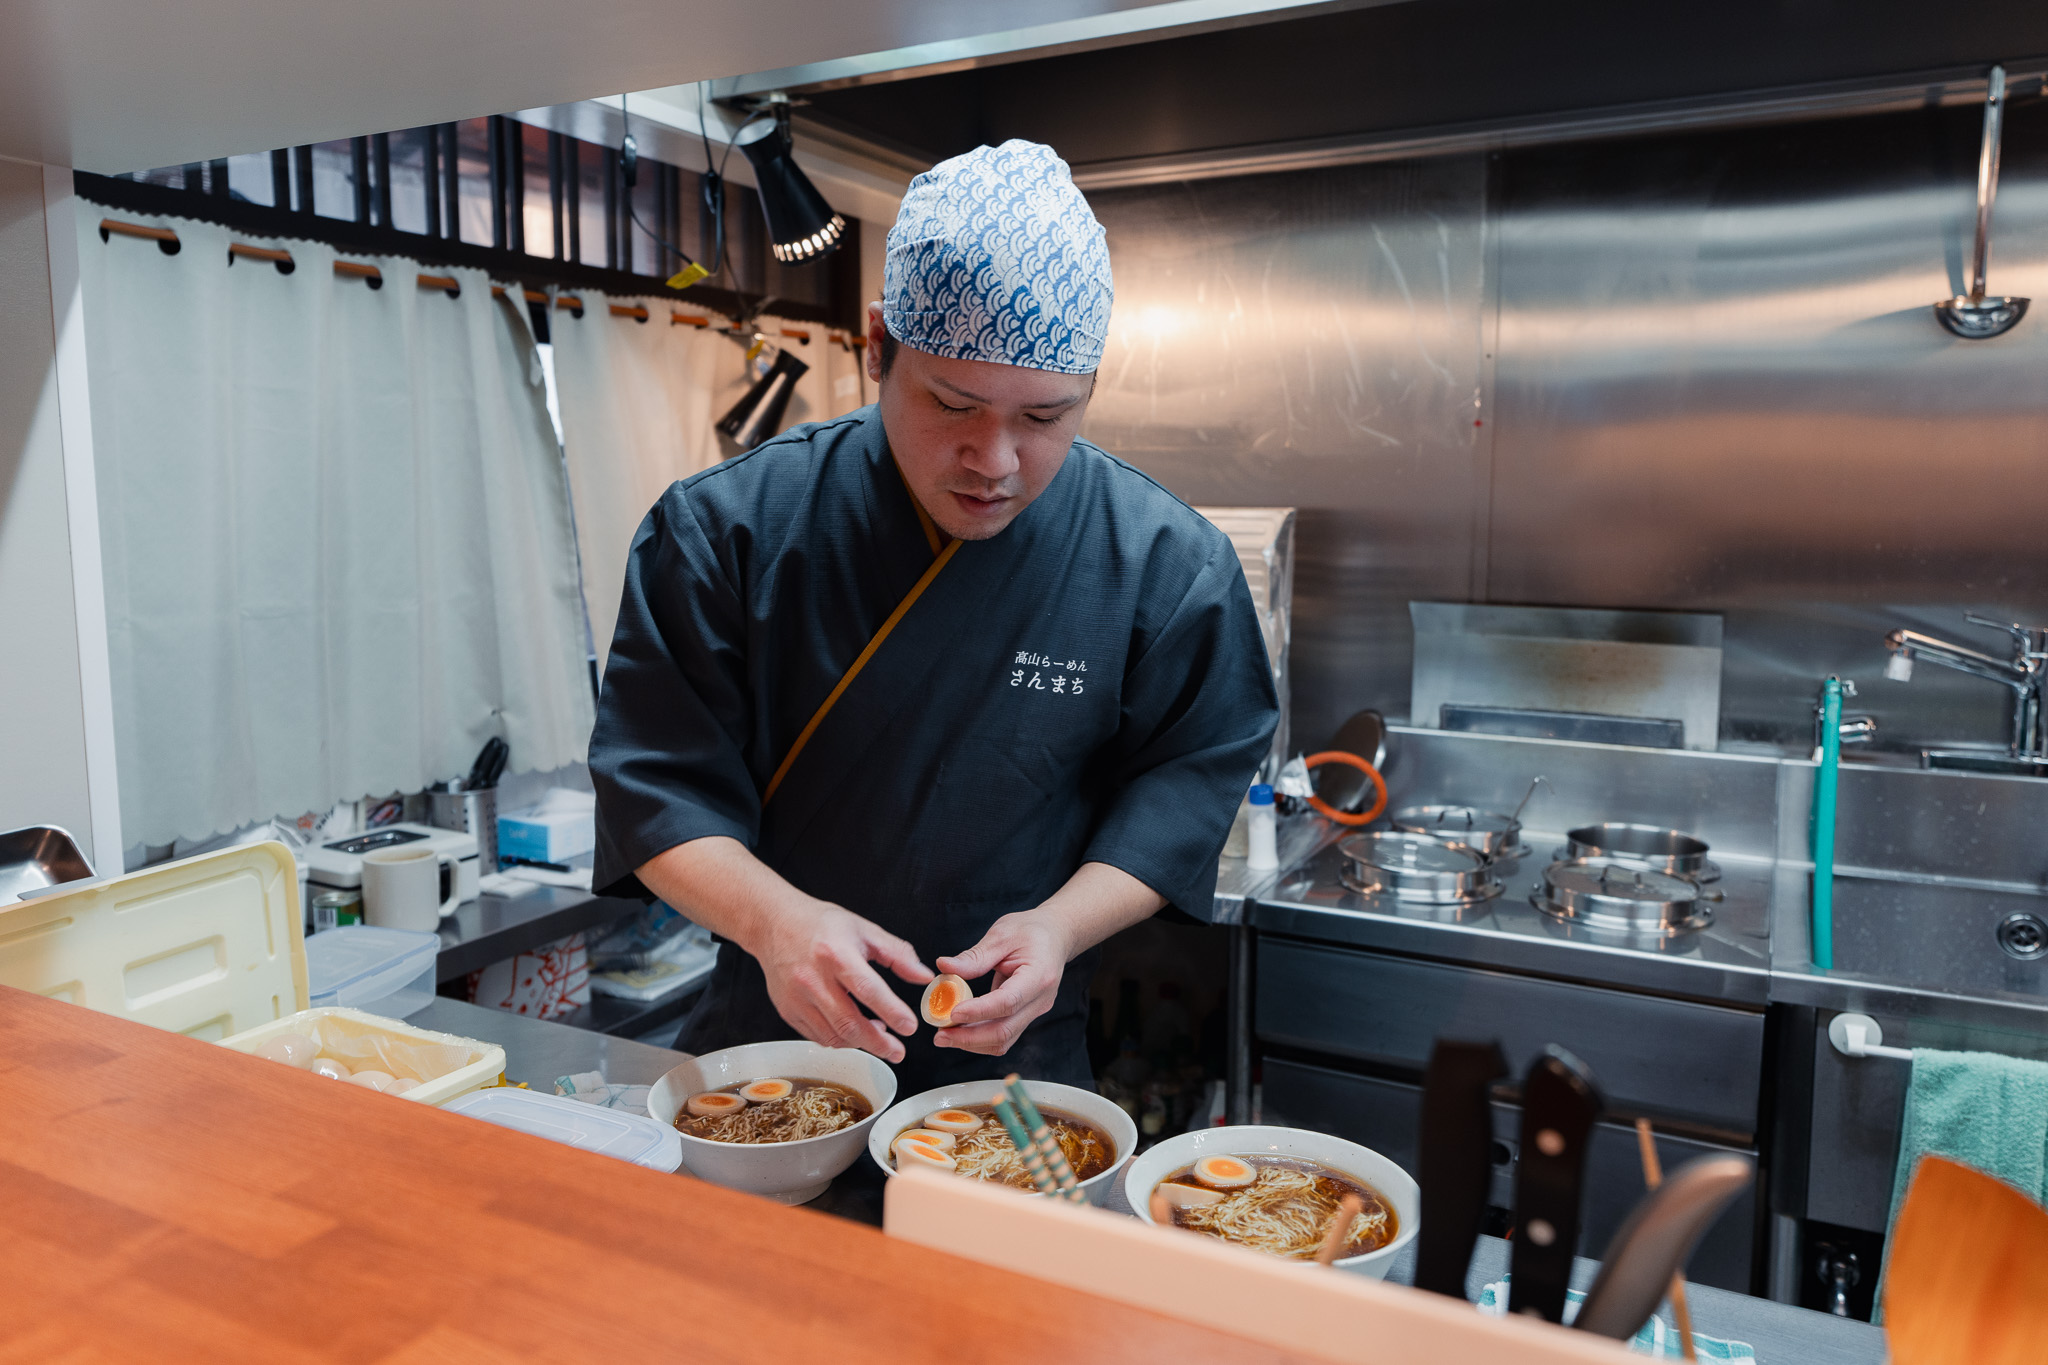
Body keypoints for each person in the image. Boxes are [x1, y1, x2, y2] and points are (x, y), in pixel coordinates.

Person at [589, 139, 1277, 1096]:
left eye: (1044, 418)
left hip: (1015, 1083)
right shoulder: (728, 531)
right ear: (878, 347)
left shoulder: (1164, 563)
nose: (993, 459)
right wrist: (774, 923)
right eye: (953, 403)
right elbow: (652, 785)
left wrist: (1058, 929)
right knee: (755, 1251)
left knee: (997, 1248)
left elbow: (1189, 785)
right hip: (774, 1061)